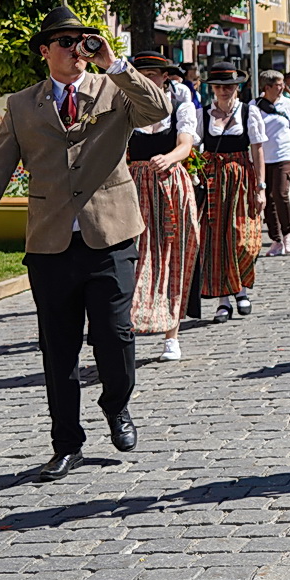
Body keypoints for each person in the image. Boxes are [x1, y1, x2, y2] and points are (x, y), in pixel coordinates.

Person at [0, 6, 172, 482]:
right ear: (44, 50)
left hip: (110, 236)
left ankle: (117, 405)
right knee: (59, 349)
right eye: (65, 41)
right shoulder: (21, 105)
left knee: (115, 337)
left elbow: (159, 109)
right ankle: (66, 442)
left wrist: (115, 63)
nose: (76, 49)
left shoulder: (114, 87)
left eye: (81, 40)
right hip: (50, 244)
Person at [127, 54, 202, 362]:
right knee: (132, 259)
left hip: (171, 185)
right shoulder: (128, 108)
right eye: (142, 74)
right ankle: (127, 331)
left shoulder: (179, 107)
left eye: (154, 74)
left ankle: (172, 333)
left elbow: (186, 144)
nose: (149, 79)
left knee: (175, 255)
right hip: (135, 187)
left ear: (165, 78)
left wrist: (169, 158)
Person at [198, 65, 266, 322]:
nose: (224, 91)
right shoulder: (201, 115)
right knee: (216, 241)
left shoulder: (249, 112)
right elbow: (191, 148)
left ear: (237, 87)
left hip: (242, 180)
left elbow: (258, 151)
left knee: (243, 239)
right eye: (218, 86)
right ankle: (223, 301)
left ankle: (242, 289)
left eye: (228, 86)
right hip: (213, 180)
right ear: (212, 89)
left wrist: (261, 188)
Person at [255, 69, 290, 257]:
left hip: (285, 154)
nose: (282, 88)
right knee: (267, 198)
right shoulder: (254, 106)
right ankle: (275, 239)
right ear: (267, 87)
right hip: (263, 157)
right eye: (278, 85)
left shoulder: (288, 104)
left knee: (280, 193)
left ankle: (287, 233)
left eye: (282, 85)